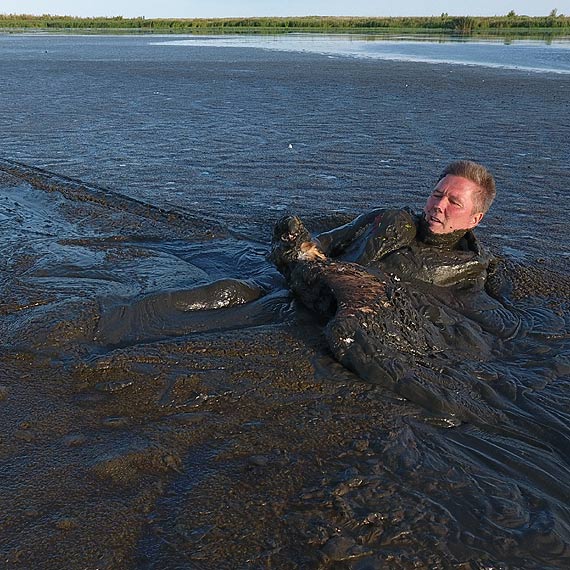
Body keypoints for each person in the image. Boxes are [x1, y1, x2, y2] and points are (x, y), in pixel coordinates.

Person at [270, 160, 519, 340]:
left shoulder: (470, 270)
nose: (438, 206)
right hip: (300, 286)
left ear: (475, 219)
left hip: (342, 319)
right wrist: (300, 245)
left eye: (454, 202)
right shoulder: (385, 219)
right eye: (436, 195)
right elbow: (326, 240)